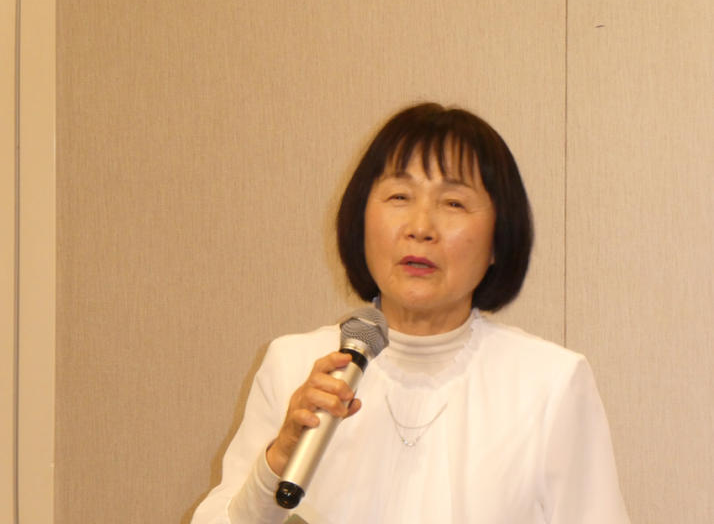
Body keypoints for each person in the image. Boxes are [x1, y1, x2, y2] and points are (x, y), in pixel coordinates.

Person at [191, 103, 630, 524]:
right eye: (399, 196)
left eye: (453, 203)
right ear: (361, 220)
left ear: (499, 238)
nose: (420, 227)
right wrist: (280, 456)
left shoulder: (550, 383)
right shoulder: (295, 366)